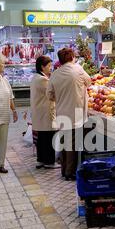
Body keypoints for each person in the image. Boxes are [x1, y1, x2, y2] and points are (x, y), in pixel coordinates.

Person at [47, 47, 91, 180]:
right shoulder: (77, 69)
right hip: (75, 113)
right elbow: (88, 82)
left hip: (61, 112)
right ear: (72, 57)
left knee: (64, 142)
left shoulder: (55, 74)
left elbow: (49, 95)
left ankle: (64, 169)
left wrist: (60, 98)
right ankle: (69, 173)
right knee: (72, 144)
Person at [30, 55, 58, 169]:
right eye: (49, 66)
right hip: (45, 112)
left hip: (39, 112)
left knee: (42, 137)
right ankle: (49, 162)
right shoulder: (42, 80)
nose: (50, 68)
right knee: (48, 137)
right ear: (42, 66)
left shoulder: (36, 77)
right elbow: (52, 93)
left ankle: (40, 160)